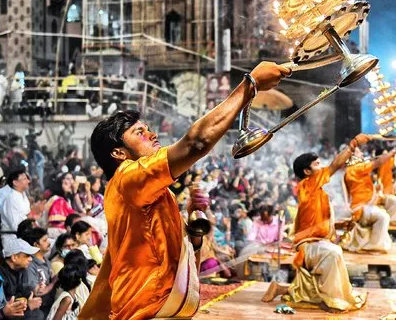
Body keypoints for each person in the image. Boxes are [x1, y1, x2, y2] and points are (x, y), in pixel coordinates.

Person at [80, 62, 289, 319]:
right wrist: (250, 85)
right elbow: (196, 143)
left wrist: (194, 232)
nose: (153, 134)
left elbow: (176, 260)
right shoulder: (126, 178)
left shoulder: (155, 192)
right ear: (118, 153)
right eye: (140, 132)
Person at [261, 134, 374, 313]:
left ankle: (282, 289)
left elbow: (318, 223)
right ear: (307, 172)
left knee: (334, 251)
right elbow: (336, 165)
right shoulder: (308, 185)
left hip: (317, 242)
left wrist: (339, 225)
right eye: (317, 164)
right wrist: (352, 145)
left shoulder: (317, 191)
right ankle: (333, 301)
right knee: (334, 253)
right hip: (307, 246)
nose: (322, 168)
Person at [343, 148, 396, 253]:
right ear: (352, 155)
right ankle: (374, 247)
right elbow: (379, 162)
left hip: (364, 206)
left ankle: (376, 243)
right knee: (383, 216)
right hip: (361, 209)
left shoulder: (352, 169)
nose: (363, 153)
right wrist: (392, 151)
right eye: (359, 152)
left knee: (385, 212)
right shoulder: (357, 168)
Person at [0, 238, 42, 317]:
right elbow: (3, 305)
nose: (30, 259)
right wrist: (28, 305)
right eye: (27, 256)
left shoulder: (22, 270)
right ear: (14, 257)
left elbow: (25, 292)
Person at [20, 227, 54, 319]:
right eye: (45, 240)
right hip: (39, 309)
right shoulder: (30, 265)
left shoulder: (46, 260)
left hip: (49, 305)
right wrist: (54, 282)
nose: (49, 243)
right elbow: (36, 292)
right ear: (36, 244)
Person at [0, 169, 31, 246]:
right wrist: (32, 215)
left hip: (25, 235)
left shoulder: (23, 195)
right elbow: (15, 225)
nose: (28, 181)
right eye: (24, 179)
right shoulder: (11, 198)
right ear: (15, 182)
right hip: (13, 239)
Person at [44, 173, 76, 238]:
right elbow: (56, 222)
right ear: (60, 185)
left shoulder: (67, 199)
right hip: (57, 231)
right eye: (66, 183)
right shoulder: (57, 199)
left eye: (71, 180)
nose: (70, 184)